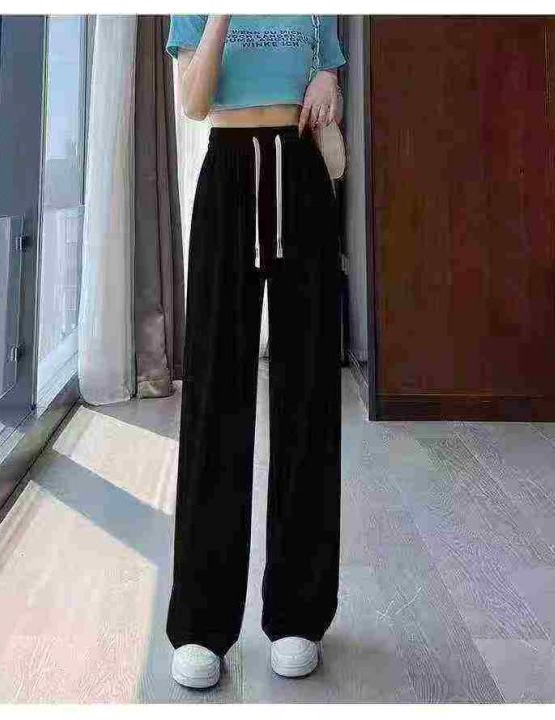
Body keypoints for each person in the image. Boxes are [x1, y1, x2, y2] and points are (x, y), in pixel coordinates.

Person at [165, 14, 346, 689]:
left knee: (308, 396)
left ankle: (299, 614)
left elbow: (326, 72)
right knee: (215, 394)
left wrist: (327, 78)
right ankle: (201, 624)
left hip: (302, 175)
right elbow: (194, 102)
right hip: (229, 176)